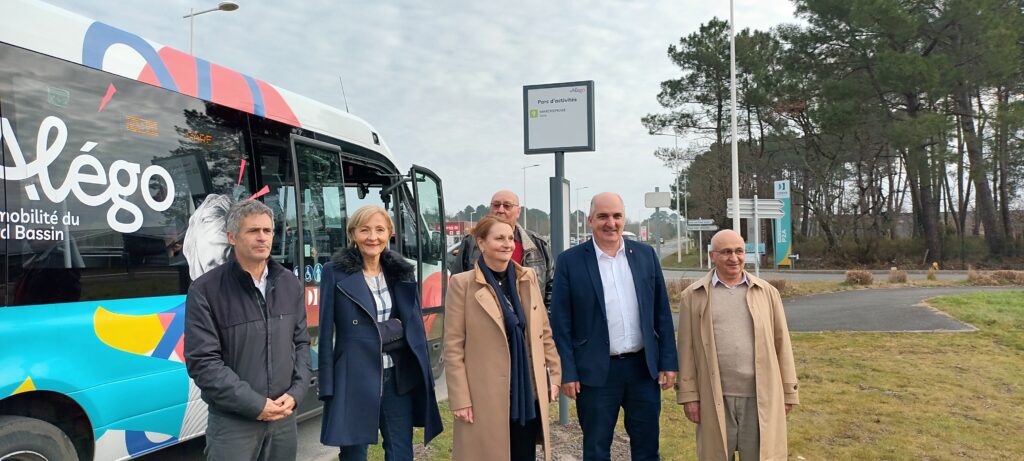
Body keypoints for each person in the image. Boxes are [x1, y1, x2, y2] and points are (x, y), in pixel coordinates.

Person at [549, 192, 678, 461]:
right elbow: (561, 323)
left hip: (642, 370)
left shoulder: (645, 255)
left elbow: (661, 313)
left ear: (624, 218)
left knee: (647, 448)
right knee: (596, 450)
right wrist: (567, 372)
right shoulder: (570, 261)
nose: (611, 223)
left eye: (617, 216)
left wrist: (668, 361)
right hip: (595, 372)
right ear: (590, 220)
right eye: (603, 216)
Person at [184, 199, 312, 461]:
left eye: (267, 231)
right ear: (232, 236)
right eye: (253, 231)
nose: (262, 238)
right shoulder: (205, 290)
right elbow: (203, 362)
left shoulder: (289, 283)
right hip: (234, 424)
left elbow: (301, 343)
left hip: (283, 419)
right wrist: (256, 405)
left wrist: (297, 392)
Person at [318, 205, 443, 460]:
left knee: (400, 451)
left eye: (379, 230)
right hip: (353, 377)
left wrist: (381, 332)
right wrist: (327, 384)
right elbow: (325, 329)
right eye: (364, 230)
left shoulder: (401, 272)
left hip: (397, 377)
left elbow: (412, 327)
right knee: (354, 455)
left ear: (390, 233)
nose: (372, 237)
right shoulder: (334, 272)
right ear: (353, 234)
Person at [444, 215, 562, 461]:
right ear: (481, 243)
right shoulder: (462, 285)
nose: (507, 244)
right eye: (499, 238)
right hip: (484, 395)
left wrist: (553, 375)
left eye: (510, 238)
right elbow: (454, 348)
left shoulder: (527, 278)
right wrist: (460, 399)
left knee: (523, 453)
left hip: (525, 393)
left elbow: (543, 333)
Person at [676, 229, 799, 461]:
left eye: (739, 251)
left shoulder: (767, 293)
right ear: (713, 256)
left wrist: (788, 392)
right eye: (726, 252)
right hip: (714, 398)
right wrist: (689, 396)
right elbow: (686, 350)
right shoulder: (693, 296)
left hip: (759, 397)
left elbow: (782, 344)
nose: (734, 258)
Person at [450, 190, 553, 305]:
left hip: (528, 319)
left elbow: (551, 288)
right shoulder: (471, 242)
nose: (500, 210)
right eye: (496, 205)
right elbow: (456, 287)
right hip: (482, 318)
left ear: (518, 212)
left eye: (507, 206)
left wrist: (544, 319)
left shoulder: (538, 244)